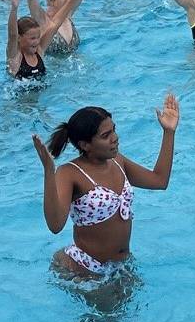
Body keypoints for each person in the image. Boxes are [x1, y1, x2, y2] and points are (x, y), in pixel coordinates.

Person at [31, 94, 180, 279]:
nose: (115, 138)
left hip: (121, 264)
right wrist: (48, 171)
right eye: (105, 135)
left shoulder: (117, 162)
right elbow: (55, 225)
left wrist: (169, 132)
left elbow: (159, 181)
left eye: (114, 130)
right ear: (85, 145)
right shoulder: (69, 173)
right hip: (86, 270)